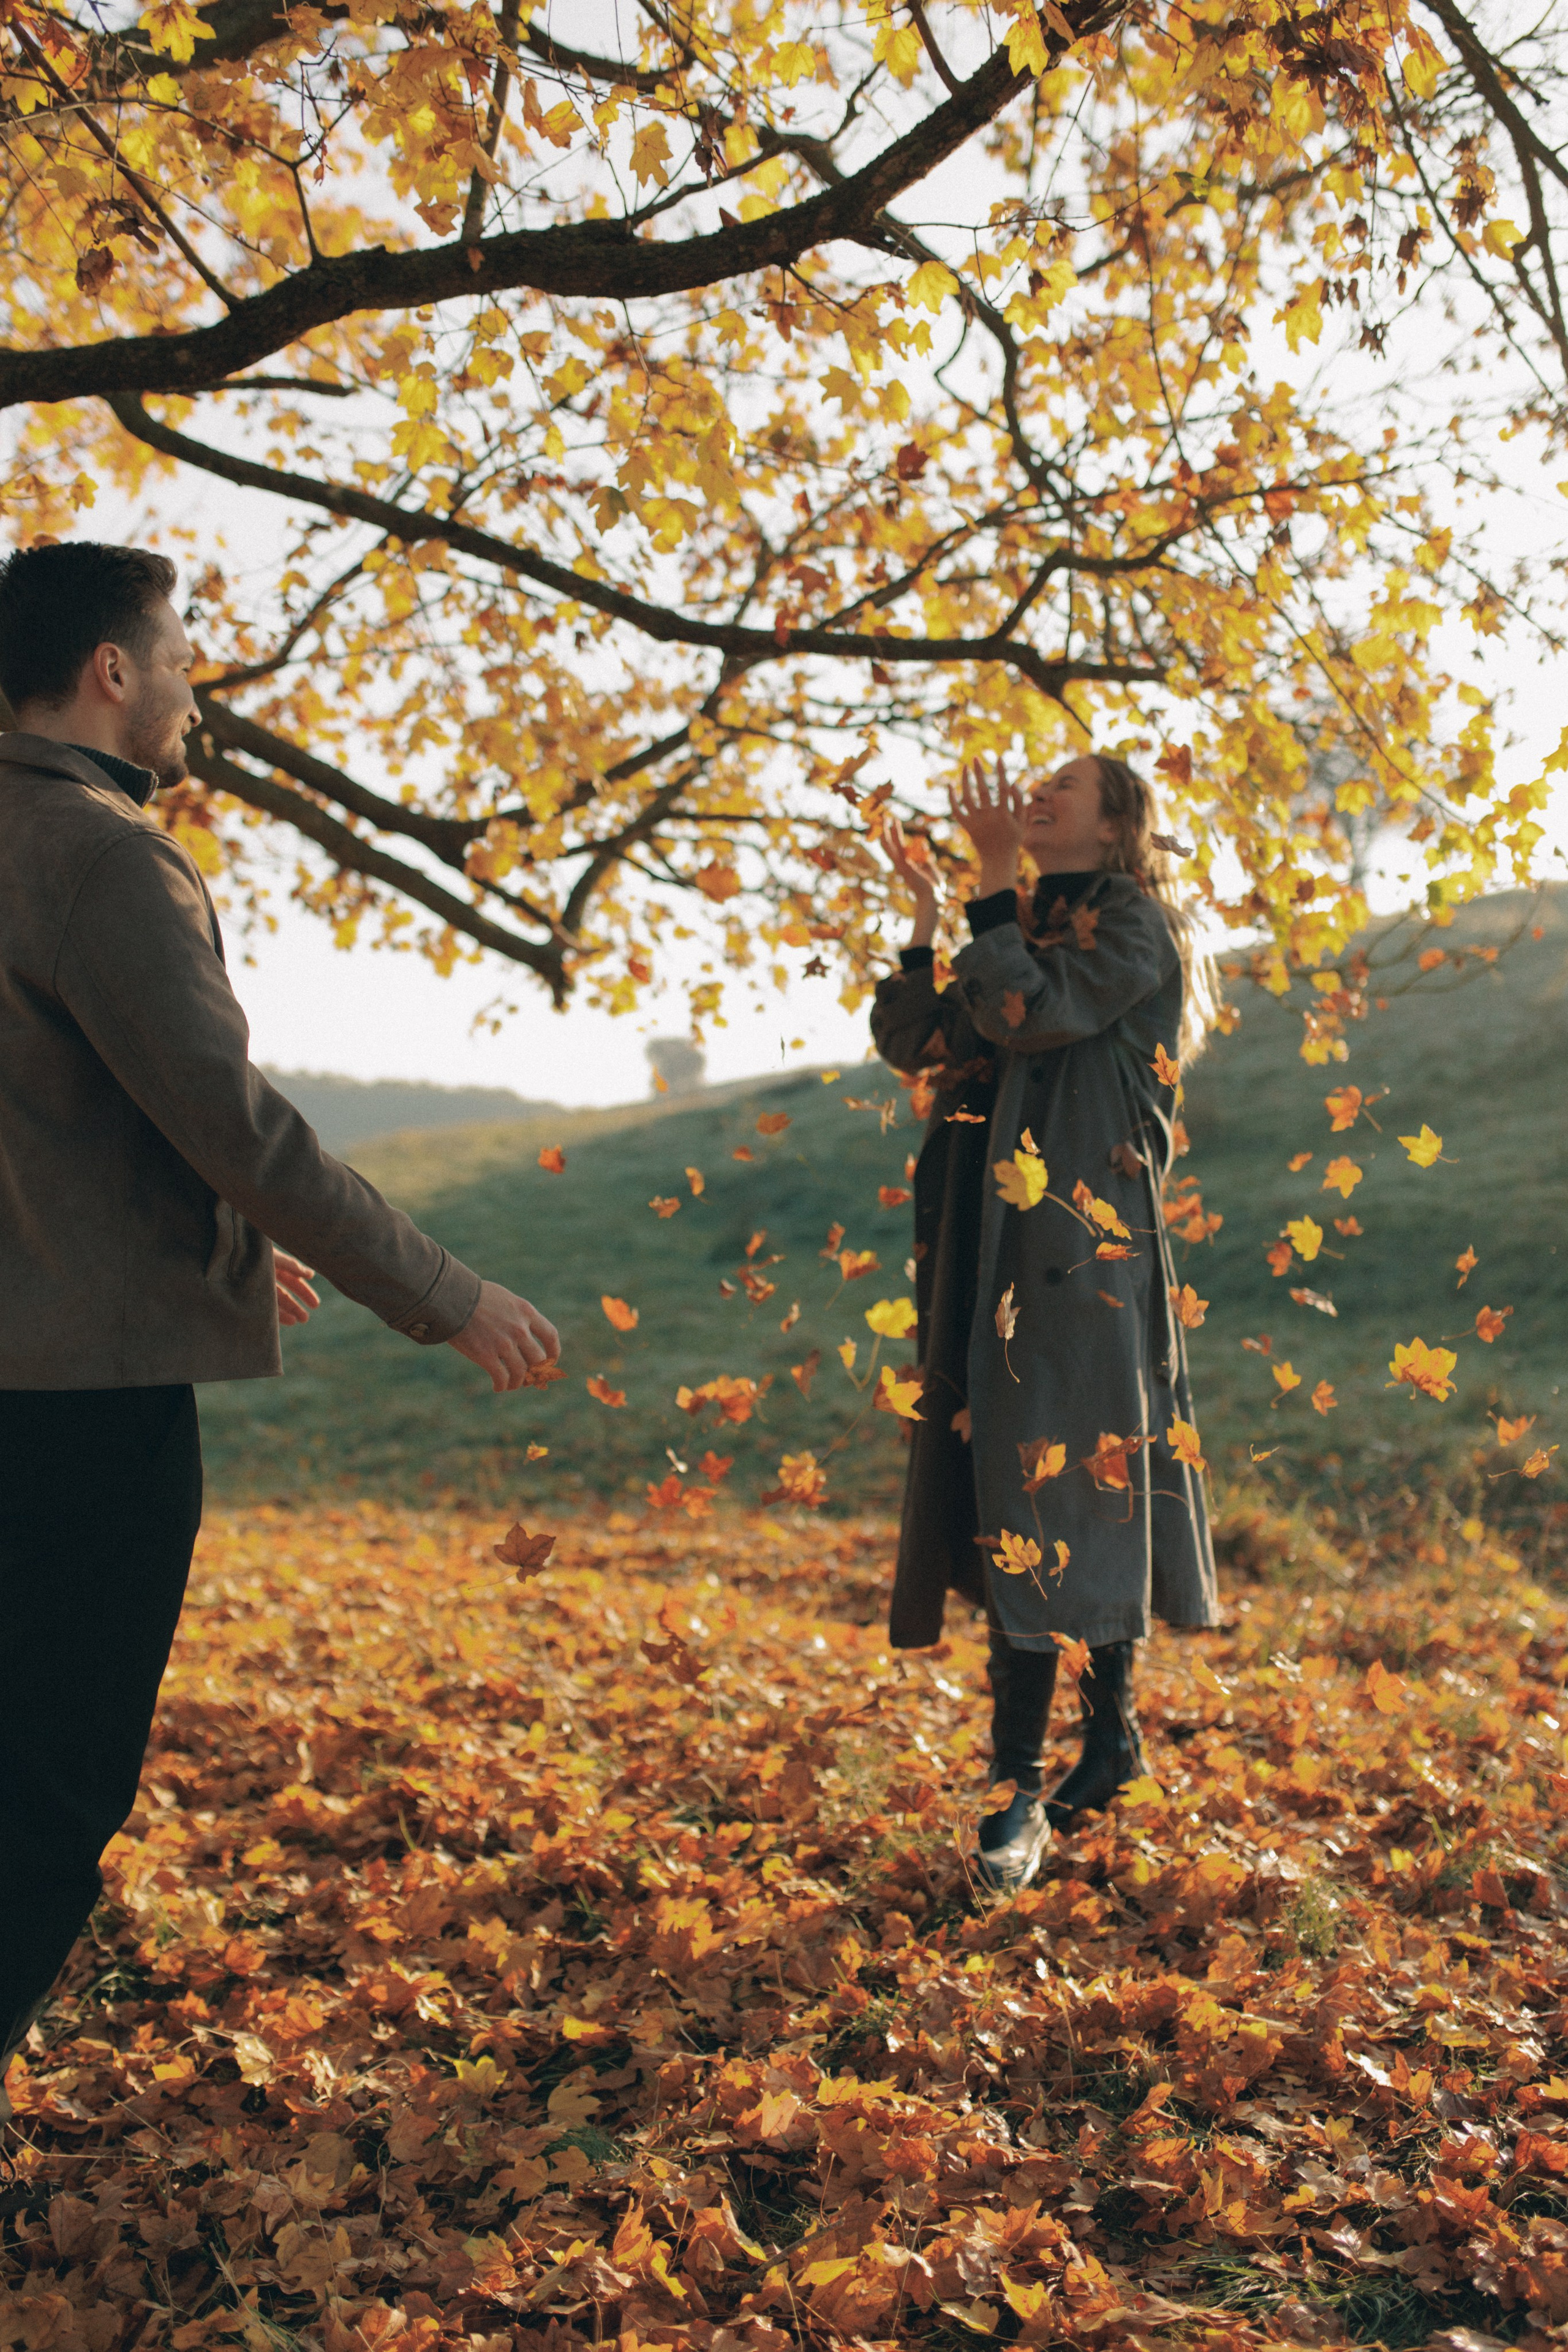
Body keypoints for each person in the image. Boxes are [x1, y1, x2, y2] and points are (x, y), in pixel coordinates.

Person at [0, 541, 561, 2116]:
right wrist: (445, 1295)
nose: (189, 681)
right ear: (111, 670)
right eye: (175, 649)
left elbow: (61, 1127)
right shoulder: (98, 851)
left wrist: (225, 1262)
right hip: (73, 1407)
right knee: (49, 1780)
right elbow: (235, 1127)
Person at [872, 753, 1218, 1894]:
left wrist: (984, 884)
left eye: (1067, 785)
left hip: (1076, 1245)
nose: (1039, 793)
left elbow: (1031, 1012)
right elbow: (921, 1042)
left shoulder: (1135, 926)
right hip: (988, 1244)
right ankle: (1109, 1741)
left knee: (1063, 1473)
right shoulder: (1015, 920)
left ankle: (1016, 1787)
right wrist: (931, 920)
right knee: (1022, 1477)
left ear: (1116, 822)